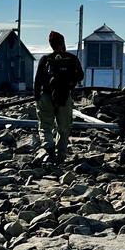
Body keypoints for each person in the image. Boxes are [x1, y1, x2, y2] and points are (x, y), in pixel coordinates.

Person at [34, 30, 84, 163]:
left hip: (46, 96)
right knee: (64, 127)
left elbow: (37, 80)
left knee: (45, 126)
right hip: (64, 96)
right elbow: (80, 75)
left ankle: (49, 148)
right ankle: (61, 154)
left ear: (51, 44)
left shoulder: (45, 59)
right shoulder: (71, 59)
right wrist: (69, 83)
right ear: (62, 43)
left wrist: (37, 98)